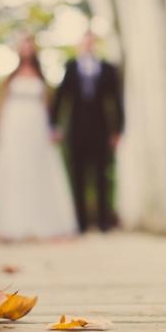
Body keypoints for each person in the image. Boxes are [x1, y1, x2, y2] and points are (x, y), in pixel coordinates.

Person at [0, 34, 77, 240]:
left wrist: (52, 129)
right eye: (23, 44)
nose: (26, 48)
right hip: (14, 126)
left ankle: (42, 222)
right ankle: (12, 224)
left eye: (29, 44)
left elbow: (48, 107)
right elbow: (1, 106)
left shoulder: (41, 77)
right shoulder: (10, 78)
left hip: (37, 128)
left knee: (37, 169)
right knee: (16, 170)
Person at [50, 30, 124, 232]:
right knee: (78, 175)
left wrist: (118, 130)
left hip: (101, 129)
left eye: (91, 42)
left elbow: (116, 100)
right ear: (80, 45)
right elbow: (61, 97)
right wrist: (54, 125)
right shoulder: (71, 67)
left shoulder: (107, 68)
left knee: (102, 175)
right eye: (85, 42)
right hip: (76, 128)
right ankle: (81, 224)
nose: (88, 45)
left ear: (95, 44)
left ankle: (103, 223)